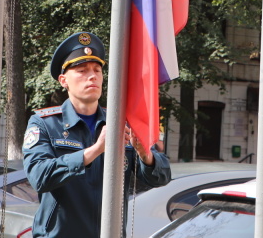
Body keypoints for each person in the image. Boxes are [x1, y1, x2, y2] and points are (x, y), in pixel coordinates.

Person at [23, 31, 171, 238]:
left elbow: (162, 177)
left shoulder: (121, 123)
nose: (92, 76)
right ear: (63, 80)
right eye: (82, 70)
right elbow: (39, 176)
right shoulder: (45, 123)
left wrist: (146, 155)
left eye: (97, 70)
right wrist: (96, 150)